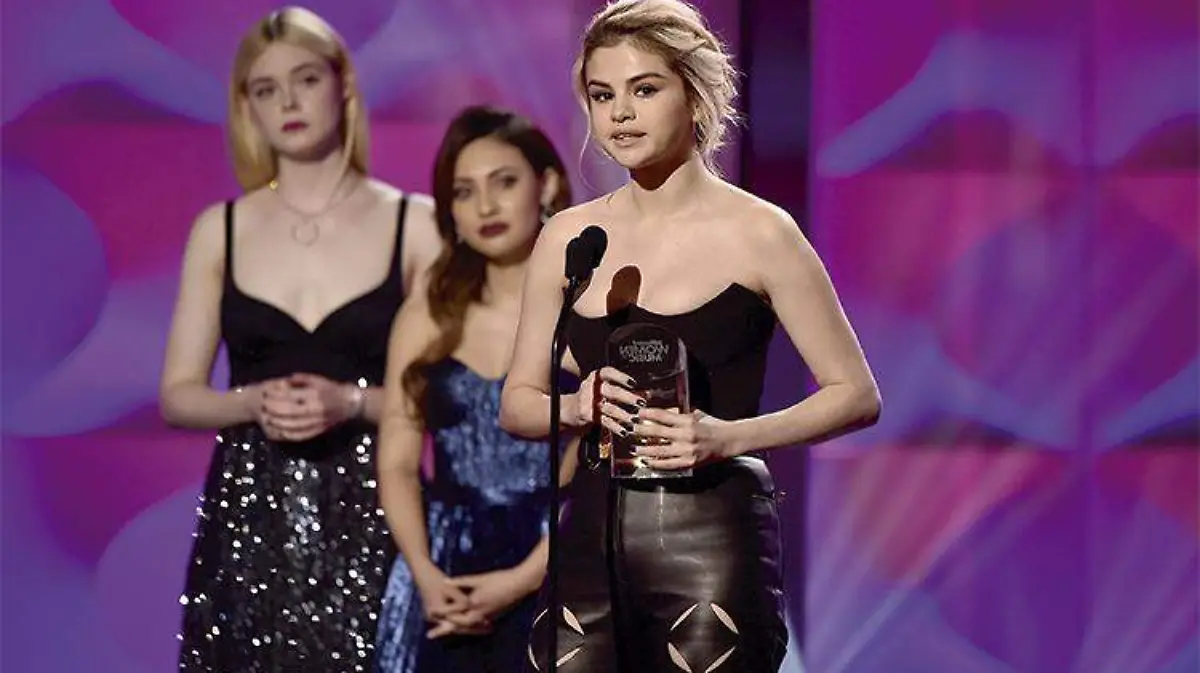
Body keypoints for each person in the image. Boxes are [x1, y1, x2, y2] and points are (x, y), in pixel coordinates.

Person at [498, 1, 882, 671]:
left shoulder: (761, 233)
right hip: (590, 537)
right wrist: (579, 404)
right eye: (602, 95)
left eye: (644, 90)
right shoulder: (569, 237)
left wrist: (728, 436)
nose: (620, 114)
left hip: (713, 539)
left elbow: (855, 394)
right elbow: (518, 403)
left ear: (695, 95)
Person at [159, 7, 441, 671]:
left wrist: (352, 402)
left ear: (343, 86)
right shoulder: (221, 229)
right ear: (247, 108)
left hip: (378, 505)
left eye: (306, 79)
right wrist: (251, 402)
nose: (288, 101)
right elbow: (178, 394)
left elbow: (448, 394)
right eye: (266, 88)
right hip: (249, 517)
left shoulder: (416, 224)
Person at [373, 105, 574, 673]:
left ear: (546, 185)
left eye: (504, 182)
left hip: (557, 560)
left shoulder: (584, 309)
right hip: (443, 571)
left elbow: (598, 475)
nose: (485, 206)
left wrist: (524, 579)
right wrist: (424, 574)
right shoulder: (428, 312)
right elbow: (397, 462)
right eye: (464, 192)